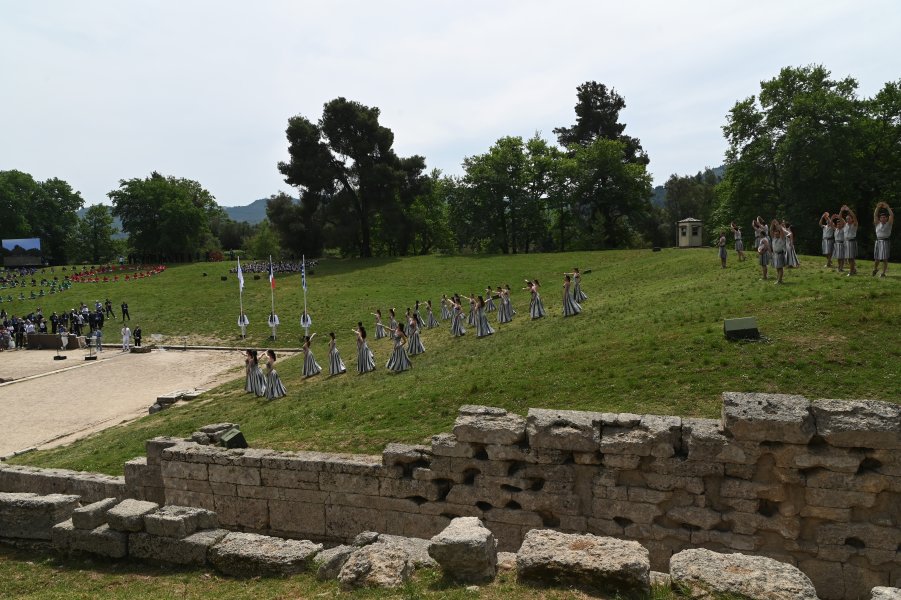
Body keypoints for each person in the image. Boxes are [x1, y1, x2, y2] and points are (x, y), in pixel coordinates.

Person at [873, 201, 894, 277]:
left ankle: (883, 273)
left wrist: (887, 207)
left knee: (884, 258)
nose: (883, 218)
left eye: (884, 217)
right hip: (878, 241)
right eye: (881, 217)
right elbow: (875, 215)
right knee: (877, 258)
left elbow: (891, 215)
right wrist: (878, 207)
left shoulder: (889, 224)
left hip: (885, 241)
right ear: (880, 218)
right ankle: (875, 269)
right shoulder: (877, 223)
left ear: (886, 218)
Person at [770, 219, 791, 284]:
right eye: (775, 232)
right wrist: (772, 224)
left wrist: (777, 225)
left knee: (780, 268)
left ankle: (779, 280)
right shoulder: (774, 238)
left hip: (780, 254)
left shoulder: (782, 238)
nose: (775, 233)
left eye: (777, 232)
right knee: (777, 267)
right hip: (775, 254)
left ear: (779, 233)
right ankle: (779, 279)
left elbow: (781, 230)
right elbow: (770, 230)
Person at [840, 205, 858, 276]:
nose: (847, 220)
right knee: (848, 258)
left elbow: (854, 217)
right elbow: (840, 217)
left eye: (849, 219)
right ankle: (854, 270)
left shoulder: (854, 224)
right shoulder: (845, 225)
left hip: (851, 241)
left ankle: (851, 272)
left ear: (852, 219)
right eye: (847, 219)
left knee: (851, 258)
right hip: (846, 242)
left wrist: (849, 210)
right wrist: (841, 211)